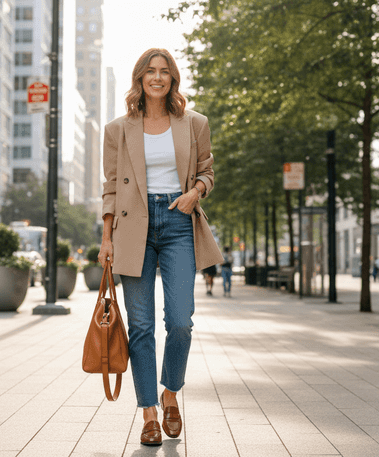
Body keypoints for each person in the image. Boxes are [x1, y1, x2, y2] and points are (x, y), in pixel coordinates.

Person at [97, 48, 223, 447]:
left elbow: (207, 171)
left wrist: (195, 193)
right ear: (140, 78)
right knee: (142, 327)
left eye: (164, 71)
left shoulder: (194, 123)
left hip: (178, 221)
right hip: (133, 227)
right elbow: (112, 187)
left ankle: (171, 392)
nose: (157, 77)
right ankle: (150, 412)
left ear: (173, 79)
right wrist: (105, 238)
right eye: (150, 71)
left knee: (181, 320)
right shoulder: (118, 129)